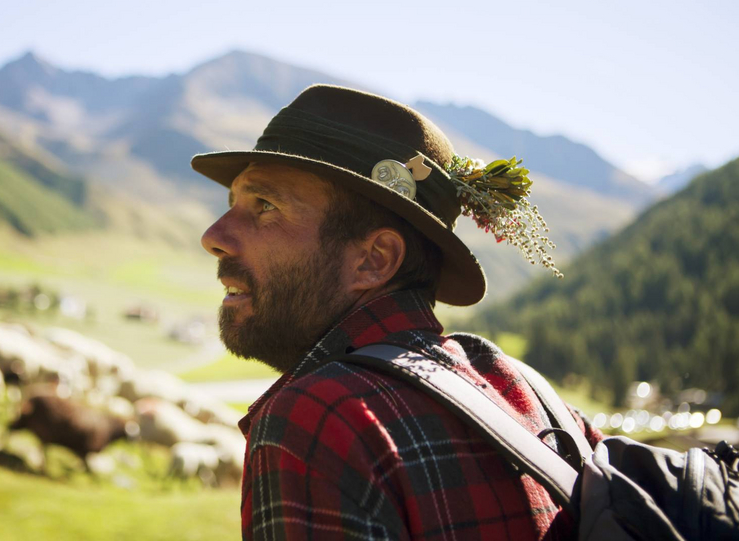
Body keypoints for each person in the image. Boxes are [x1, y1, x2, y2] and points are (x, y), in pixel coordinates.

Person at [191, 85, 603, 540]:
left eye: (265, 206)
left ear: (374, 259)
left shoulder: (317, 421)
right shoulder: (536, 398)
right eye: (232, 204)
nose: (214, 235)